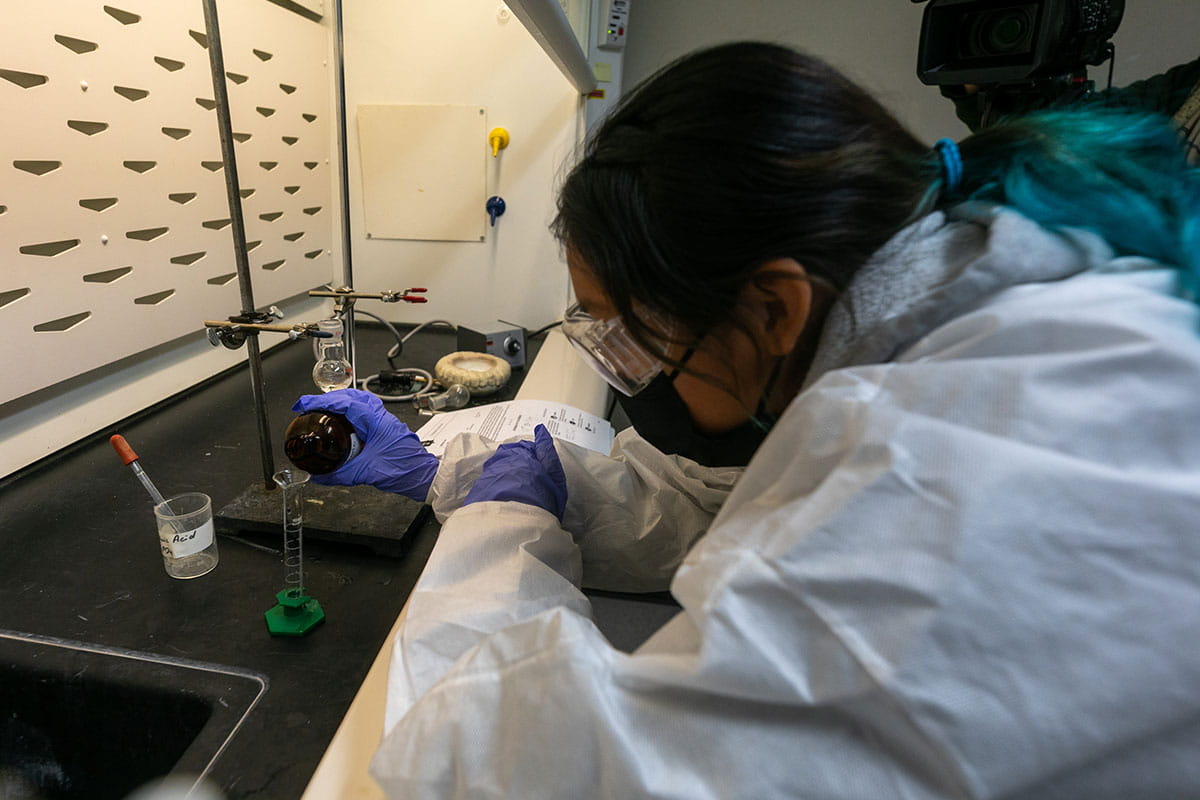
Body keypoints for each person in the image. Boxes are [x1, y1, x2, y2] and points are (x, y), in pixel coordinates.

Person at [299, 42, 1200, 797]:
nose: (646, 374)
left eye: (638, 334)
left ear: (772, 309)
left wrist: (495, 534)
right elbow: (731, 506)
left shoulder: (952, 459)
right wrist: (454, 476)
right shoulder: (983, 300)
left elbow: (506, 769)